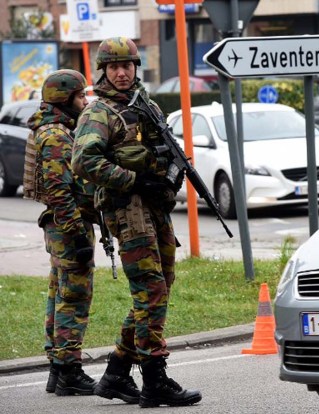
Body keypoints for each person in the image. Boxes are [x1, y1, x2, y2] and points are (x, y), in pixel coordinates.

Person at [71, 36, 200, 408]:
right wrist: (132, 180)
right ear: (104, 71)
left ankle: (115, 371)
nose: (122, 72)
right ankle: (154, 379)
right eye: (114, 67)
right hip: (126, 211)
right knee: (151, 291)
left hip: (154, 208)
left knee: (162, 286)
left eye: (127, 65)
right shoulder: (99, 113)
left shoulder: (148, 106)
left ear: (135, 68)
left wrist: (167, 174)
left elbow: (163, 149)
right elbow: (83, 162)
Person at [24, 69, 97, 396]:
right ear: (64, 98)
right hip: (67, 225)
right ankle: (69, 369)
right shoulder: (55, 135)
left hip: (60, 225)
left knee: (59, 292)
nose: (85, 101)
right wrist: (78, 233)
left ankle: (58, 367)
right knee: (74, 297)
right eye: (80, 96)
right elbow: (59, 190)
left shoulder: (55, 128)